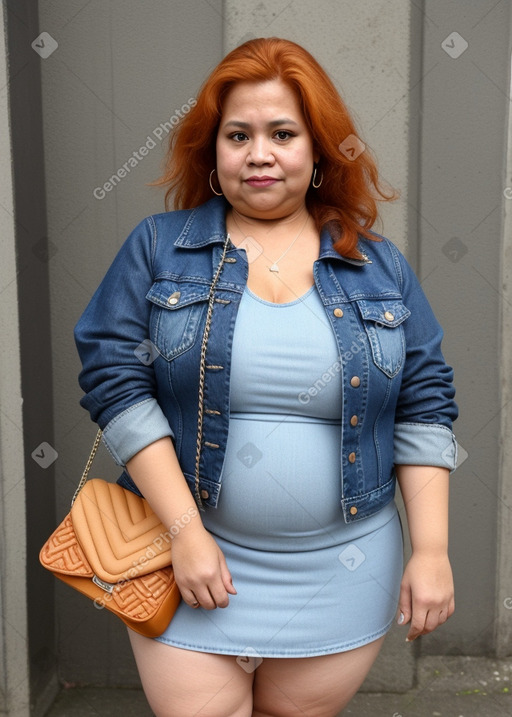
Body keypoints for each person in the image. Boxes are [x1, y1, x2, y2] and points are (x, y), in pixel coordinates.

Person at [74, 37, 458, 717]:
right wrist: (187, 532)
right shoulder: (160, 248)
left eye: (283, 133)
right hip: (185, 552)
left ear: (317, 152)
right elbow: (115, 381)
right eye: (238, 134)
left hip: (343, 566)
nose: (259, 153)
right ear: (212, 151)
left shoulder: (379, 266)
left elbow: (425, 404)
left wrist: (431, 549)